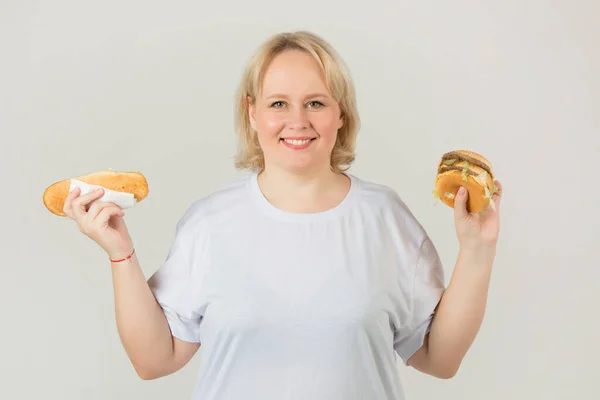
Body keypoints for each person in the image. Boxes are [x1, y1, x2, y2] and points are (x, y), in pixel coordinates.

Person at [63, 30, 503, 400]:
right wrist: (120, 252)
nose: (297, 120)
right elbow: (153, 360)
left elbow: (440, 360)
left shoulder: (385, 217)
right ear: (251, 112)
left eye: (316, 102)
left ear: (340, 114)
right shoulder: (210, 222)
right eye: (278, 104)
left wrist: (477, 250)